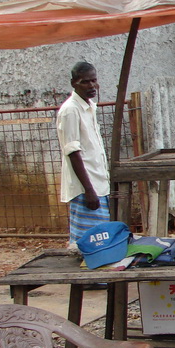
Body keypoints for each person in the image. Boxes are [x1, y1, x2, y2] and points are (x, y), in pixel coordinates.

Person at [56, 62, 110, 247]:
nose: (92, 86)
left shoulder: (89, 107)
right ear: (74, 83)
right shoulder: (71, 110)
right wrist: (88, 190)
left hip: (98, 180)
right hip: (85, 186)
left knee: (101, 236)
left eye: (94, 80)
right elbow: (72, 151)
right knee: (87, 241)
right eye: (85, 82)